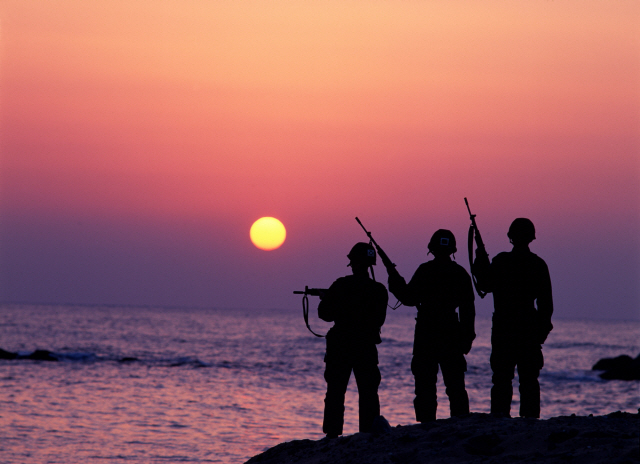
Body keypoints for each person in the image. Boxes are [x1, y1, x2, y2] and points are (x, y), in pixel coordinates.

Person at [388, 229, 476, 422]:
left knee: (425, 387)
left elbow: (409, 298)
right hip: (451, 333)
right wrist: (467, 338)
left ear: (432, 249)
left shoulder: (425, 270)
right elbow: (468, 311)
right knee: (456, 388)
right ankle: (460, 423)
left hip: (426, 333)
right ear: (452, 249)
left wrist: (394, 282)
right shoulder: (460, 274)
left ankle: (426, 424)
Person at [472, 218, 553, 419]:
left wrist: (480, 261)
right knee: (529, 380)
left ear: (511, 237)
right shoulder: (538, 264)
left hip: (504, 328)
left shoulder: (501, 261)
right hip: (527, 329)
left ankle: (500, 419)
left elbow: (484, 284)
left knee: (501, 379)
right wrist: (540, 332)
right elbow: (546, 306)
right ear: (531, 237)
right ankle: (530, 420)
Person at [317, 242, 389, 438]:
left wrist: (326, 298)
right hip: (365, 346)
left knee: (335, 392)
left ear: (353, 262)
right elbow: (379, 320)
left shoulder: (341, 285)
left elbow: (325, 314)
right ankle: (368, 432)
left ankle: (332, 434)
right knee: (368, 393)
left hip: (341, 346)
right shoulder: (379, 290)